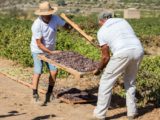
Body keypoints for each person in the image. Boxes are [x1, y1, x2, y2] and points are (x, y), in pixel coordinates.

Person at [91, 11, 144, 120]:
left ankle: (99, 114)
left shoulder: (101, 31)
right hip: (138, 50)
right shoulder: (123, 21)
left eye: (99, 22)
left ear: (101, 21)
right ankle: (132, 113)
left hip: (122, 53)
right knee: (130, 81)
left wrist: (98, 69)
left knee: (106, 81)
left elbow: (106, 57)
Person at [30, 1, 71, 105]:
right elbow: (39, 44)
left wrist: (69, 26)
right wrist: (51, 52)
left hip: (50, 50)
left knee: (54, 71)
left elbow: (65, 25)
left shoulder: (55, 18)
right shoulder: (37, 24)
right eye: (46, 14)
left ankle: (49, 94)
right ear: (42, 15)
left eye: (49, 13)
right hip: (38, 50)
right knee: (38, 71)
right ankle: (35, 95)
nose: (48, 16)